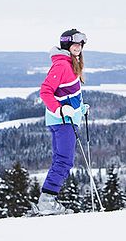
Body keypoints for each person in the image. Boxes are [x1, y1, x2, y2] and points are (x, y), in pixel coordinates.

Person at [36, 29, 89, 215]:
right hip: (62, 121)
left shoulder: (71, 64)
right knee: (64, 160)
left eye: (81, 44)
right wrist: (58, 109)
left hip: (67, 120)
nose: (78, 47)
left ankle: (48, 200)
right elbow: (45, 91)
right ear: (66, 44)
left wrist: (81, 109)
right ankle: (47, 201)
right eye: (75, 43)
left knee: (63, 160)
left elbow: (70, 94)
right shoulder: (62, 65)